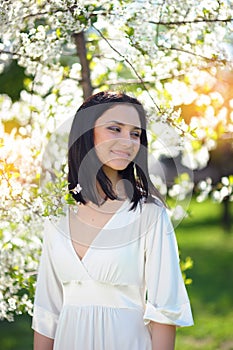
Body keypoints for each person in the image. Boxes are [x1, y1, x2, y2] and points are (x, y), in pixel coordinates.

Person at [32, 91, 194, 350]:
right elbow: (46, 313)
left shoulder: (150, 215)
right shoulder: (57, 217)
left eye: (135, 133)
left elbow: (165, 311)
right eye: (115, 129)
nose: (128, 141)